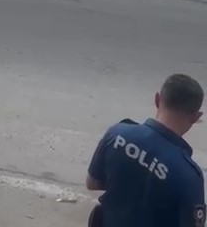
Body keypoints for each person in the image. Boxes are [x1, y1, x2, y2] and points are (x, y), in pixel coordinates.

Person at [86, 74, 205, 227]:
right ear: (196, 117)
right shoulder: (188, 175)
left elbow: (92, 182)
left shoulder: (117, 134)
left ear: (157, 99)